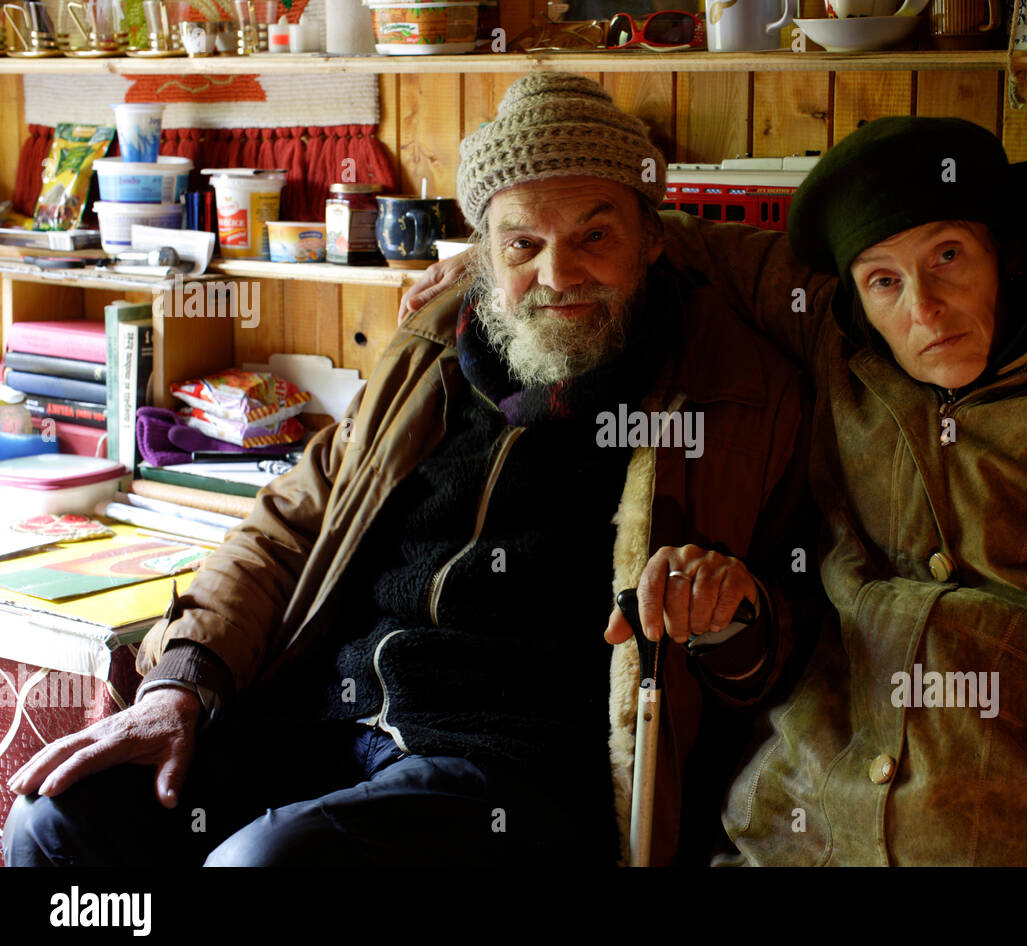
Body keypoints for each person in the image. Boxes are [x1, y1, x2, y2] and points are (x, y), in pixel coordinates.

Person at [404, 114, 1027, 865]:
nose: (924, 307)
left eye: (949, 257)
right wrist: (493, 266)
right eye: (885, 281)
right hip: (799, 828)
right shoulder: (840, 336)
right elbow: (672, 242)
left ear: (1009, 253)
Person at [2, 72, 815, 868]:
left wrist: (730, 611)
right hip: (321, 719)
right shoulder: (428, 355)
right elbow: (288, 527)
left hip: (512, 771)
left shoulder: (733, 391)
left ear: (656, 238)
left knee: (267, 862)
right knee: (54, 824)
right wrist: (178, 684)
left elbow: (788, 639)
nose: (559, 275)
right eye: (523, 244)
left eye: (596, 236)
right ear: (484, 253)